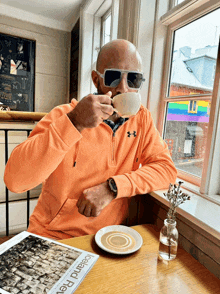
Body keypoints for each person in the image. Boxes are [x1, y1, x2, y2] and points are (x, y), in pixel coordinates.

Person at [4, 39, 177, 240]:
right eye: (113, 77)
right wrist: (74, 122)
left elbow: (166, 170)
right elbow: (15, 181)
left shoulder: (142, 120)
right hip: (51, 235)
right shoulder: (64, 114)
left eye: (133, 79)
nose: (123, 88)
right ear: (96, 80)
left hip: (107, 238)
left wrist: (113, 187)